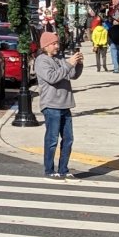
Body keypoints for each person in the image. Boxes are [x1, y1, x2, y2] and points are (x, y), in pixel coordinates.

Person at [35, 31, 83, 182]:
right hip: (51, 105)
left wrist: (78, 64)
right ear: (46, 46)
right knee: (52, 140)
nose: (57, 46)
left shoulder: (60, 59)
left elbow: (72, 75)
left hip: (65, 104)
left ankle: (64, 170)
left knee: (68, 139)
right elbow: (52, 77)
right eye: (54, 44)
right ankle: (49, 170)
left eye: (57, 43)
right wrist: (69, 64)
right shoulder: (41, 61)